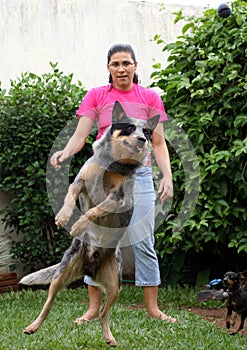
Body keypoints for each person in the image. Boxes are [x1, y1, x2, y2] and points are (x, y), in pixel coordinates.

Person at [50, 43, 177, 323]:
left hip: (138, 176)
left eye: (126, 63)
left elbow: (157, 142)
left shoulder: (150, 97)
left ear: (135, 66)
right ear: (108, 68)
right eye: (115, 64)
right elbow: (81, 135)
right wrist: (66, 152)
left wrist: (167, 176)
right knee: (97, 239)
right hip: (102, 173)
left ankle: (153, 309)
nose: (121, 68)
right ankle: (93, 308)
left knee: (144, 239)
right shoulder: (97, 95)